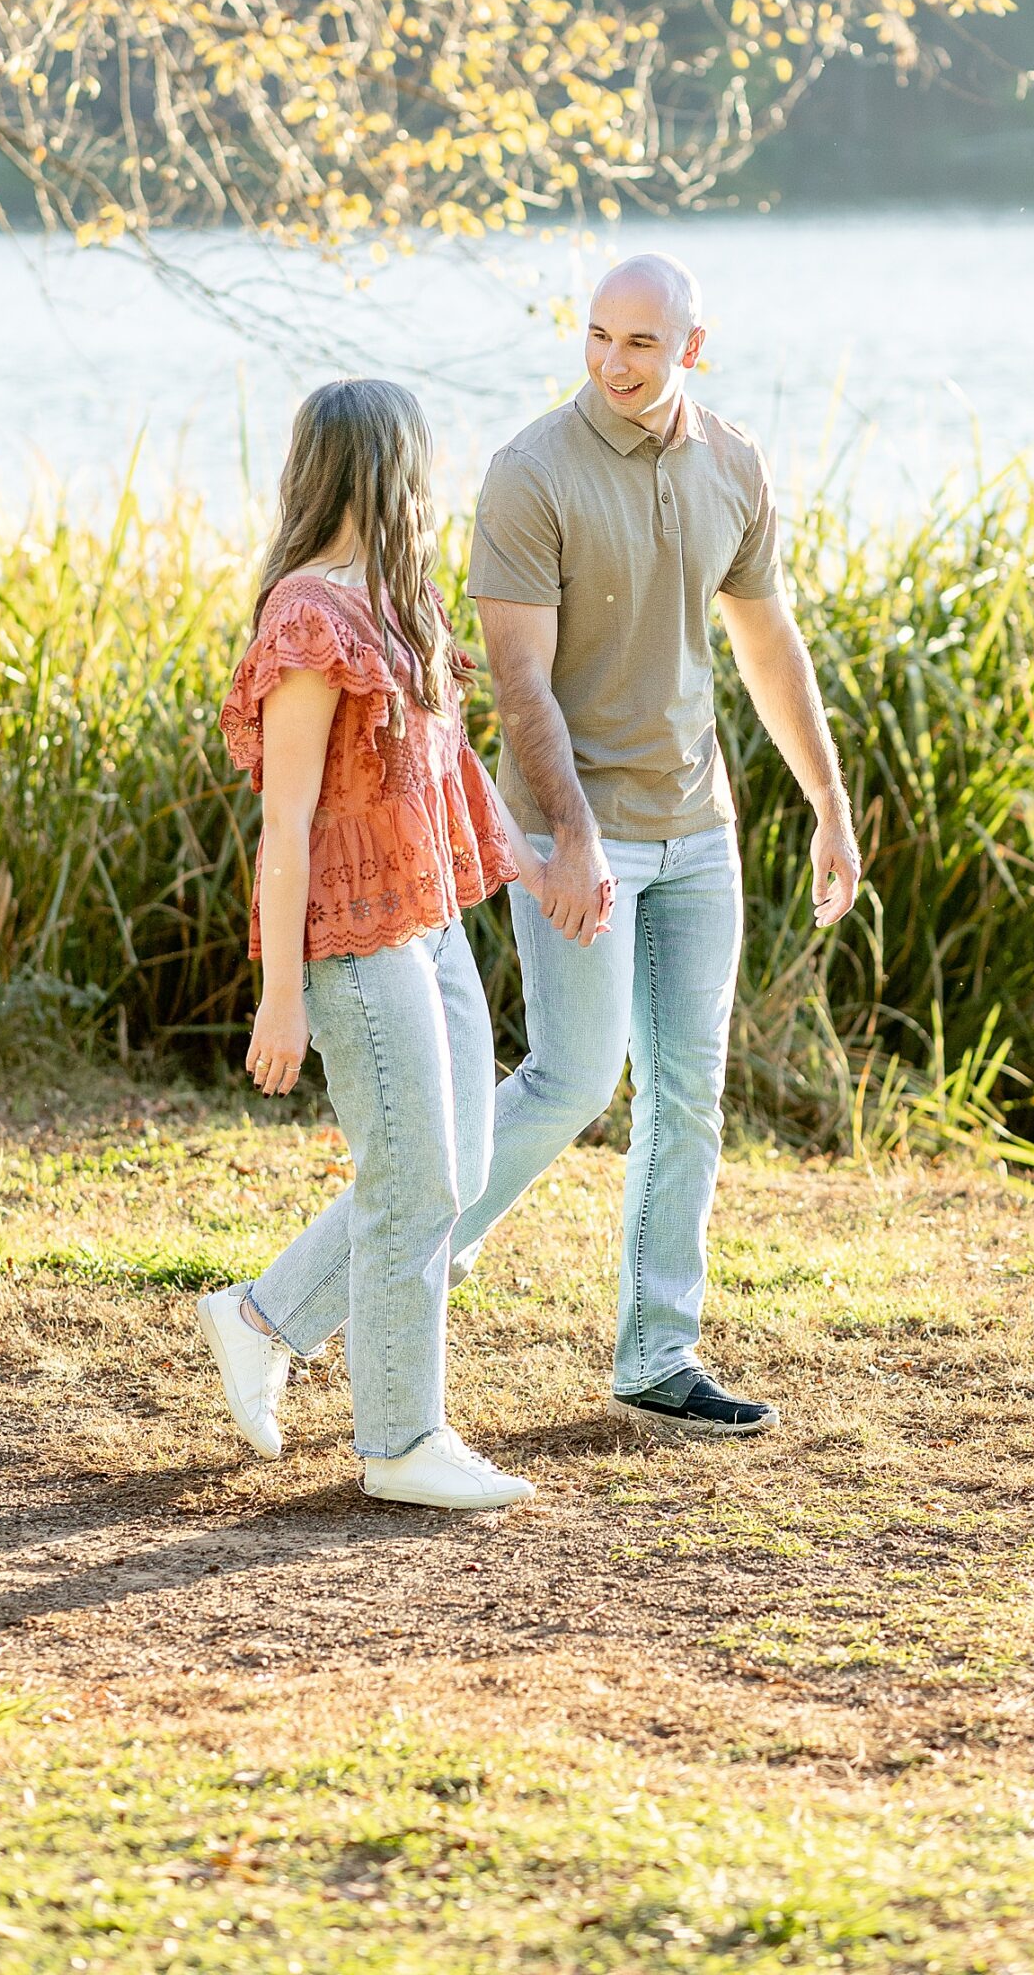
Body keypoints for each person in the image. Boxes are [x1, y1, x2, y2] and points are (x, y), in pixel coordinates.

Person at [449, 249, 861, 1441]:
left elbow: (767, 645)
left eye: (640, 342)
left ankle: (658, 1351)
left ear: (692, 345)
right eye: (597, 336)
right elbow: (520, 684)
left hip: (701, 833)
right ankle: (378, 1272)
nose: (613, 362)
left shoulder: (733, 461)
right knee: (568, 1080)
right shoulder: (532, 471)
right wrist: (571, 837)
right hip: (578, 832)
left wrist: (826, 800)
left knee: (689, 1093)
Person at [196, 378, 554, 1512]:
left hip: (431, 924)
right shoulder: (308, 617)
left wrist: (534, 866)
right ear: (388, 468)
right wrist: (282, 995)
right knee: (411, 1183)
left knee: (449, 1171)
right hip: (349, 940)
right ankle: (402, 1442)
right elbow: (288, 822)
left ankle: (260, 1317)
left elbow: (449, 773)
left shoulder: (404, 602)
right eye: (422, 459)